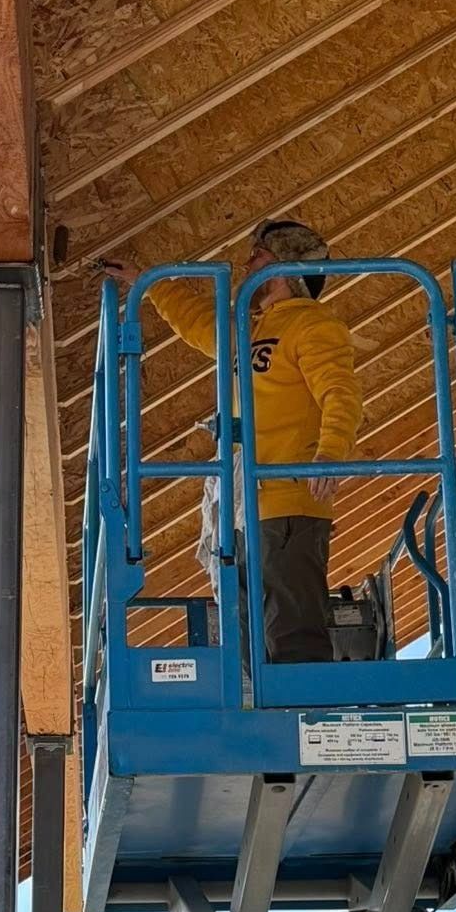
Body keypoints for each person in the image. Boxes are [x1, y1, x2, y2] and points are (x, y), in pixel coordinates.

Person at [108, 219, 363, 663]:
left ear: (283, 269)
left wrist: (330, 453)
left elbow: (340, 392)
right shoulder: (253, 330)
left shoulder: (313, 325)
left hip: (288, 497)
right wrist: (146, 283)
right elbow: (201, 324)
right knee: (249, 627)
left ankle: (300, 714)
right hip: (246, 500)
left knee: (290, 625)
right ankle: (264, 715)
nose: (247, 265)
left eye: (259, 257)